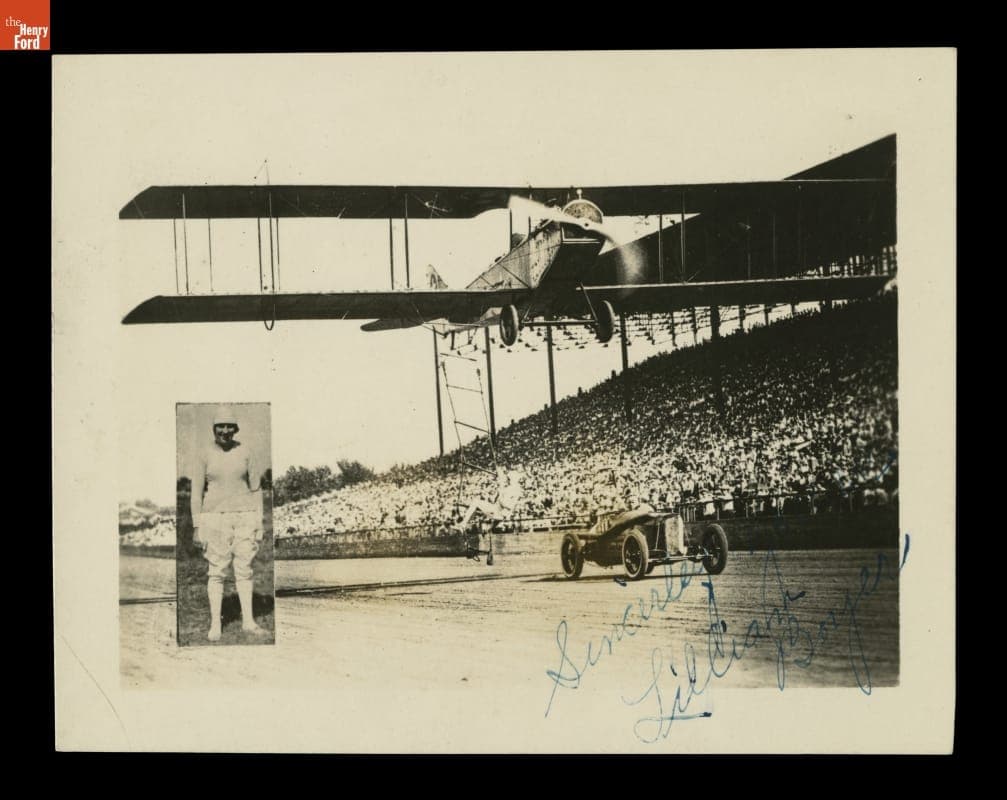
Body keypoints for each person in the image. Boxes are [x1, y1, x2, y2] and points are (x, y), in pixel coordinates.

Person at [191, 404, 266, 641]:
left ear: (235, 429)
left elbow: (256, 488)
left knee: (244, 568)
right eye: (220, 426)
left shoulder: (246, 451)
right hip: (214, 518)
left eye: (229, 426)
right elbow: (195, 493)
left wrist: (259, 522)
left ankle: (248, 622)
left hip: (245, 515)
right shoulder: (203, 454)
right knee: (217, 570)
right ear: (214, 428)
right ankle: (216, 625)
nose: (224, 430)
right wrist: (197, 526)